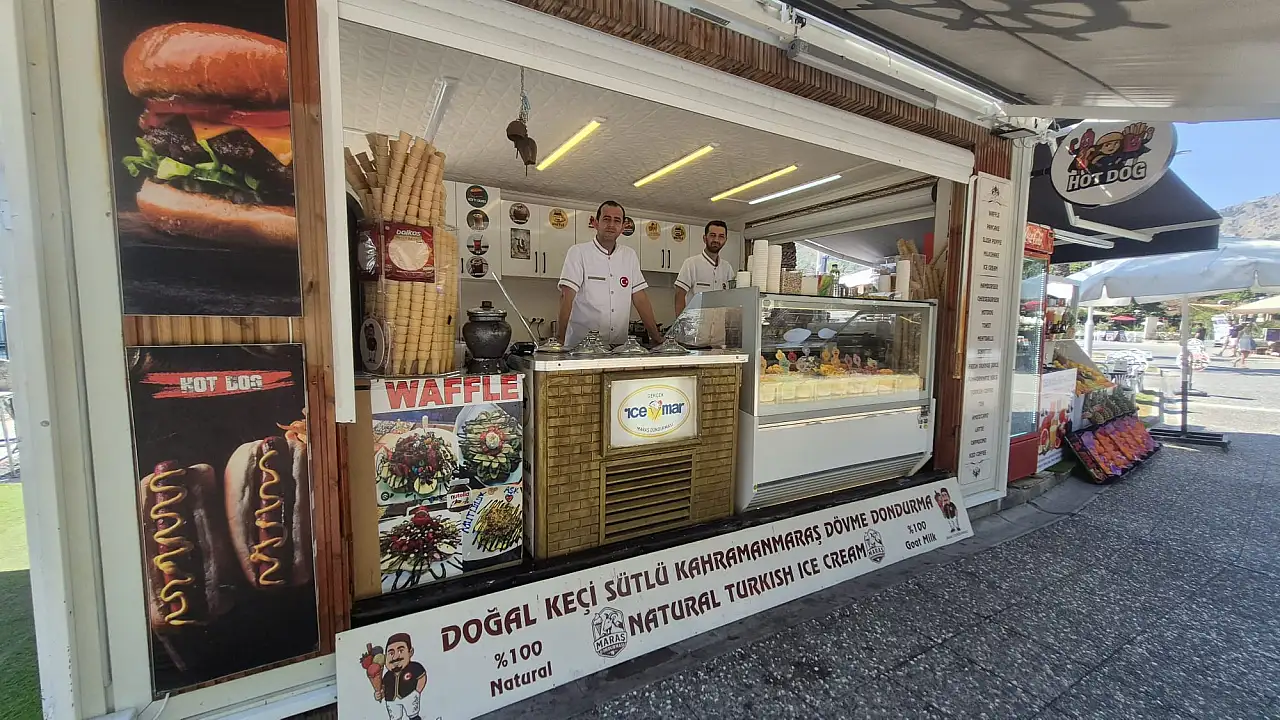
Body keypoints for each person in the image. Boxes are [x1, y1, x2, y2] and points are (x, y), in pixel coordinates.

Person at [557, 201, 663, 348]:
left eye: (617, 220)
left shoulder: (629, 256)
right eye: (606, 219)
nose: (611, 225)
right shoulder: (578, 253)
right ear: (595, 223)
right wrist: (559, 341)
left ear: (623, 227)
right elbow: (566, 296)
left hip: (618, 348)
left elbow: (640, 299)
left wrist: (656, 337)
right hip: (582, 348)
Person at [673, 220, 735, 316]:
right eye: (712, 235)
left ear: (725, 240)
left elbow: (732, 298)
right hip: (694, 323)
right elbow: (679, 295)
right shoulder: (691, 264)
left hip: (719, 323)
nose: (716, 240)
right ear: (704, 238)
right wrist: (681, 322)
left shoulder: (727, 268)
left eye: (721, 236)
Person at [375, 633, 427, 720]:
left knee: (413, 715)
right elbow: (384, 689)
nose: (395, 656)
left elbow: (422, 677)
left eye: (400, 651)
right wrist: (379, 694)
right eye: (391, 653)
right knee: (395, 718)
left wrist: (417, 692)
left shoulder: (414, 667)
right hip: (391, 700)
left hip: (409, 695)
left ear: (410, 652)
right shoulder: (387, 676)